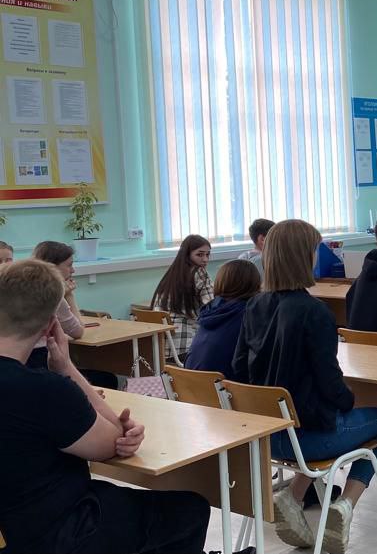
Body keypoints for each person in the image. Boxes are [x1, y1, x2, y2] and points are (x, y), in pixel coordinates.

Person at [0, 259, 210, 554]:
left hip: (15, 529)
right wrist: (67, 367)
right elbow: (112, 441)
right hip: (62, 531)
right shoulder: (44, 390)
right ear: (50, 325)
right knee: (190, 510)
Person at [233, 219, 377, 552]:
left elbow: (238, 369)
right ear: (302, 256)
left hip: (268, 439)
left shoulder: (254, 306)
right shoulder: (314, 312)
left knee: (322, 417)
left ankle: (292, 497)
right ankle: (345, 505)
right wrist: (349, 400)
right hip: (309, 440)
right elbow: (330, 383)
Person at [185, 259, 262, 380]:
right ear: (255, 283)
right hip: (226, 392)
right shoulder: (249, 314)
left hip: (190, 388)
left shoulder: (210, 310)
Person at [151, 234, 213, 362]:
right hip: (186, 348)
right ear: (187, 255)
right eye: (200, 254)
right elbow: (213, 306)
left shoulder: (171, 274)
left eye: (208, 254)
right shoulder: (199, 272)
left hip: (160, 350)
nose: (205, 259)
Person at [26, 241, 84, 369]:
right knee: (108, 379)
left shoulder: (21, 288)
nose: (73, 270)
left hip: (15, 363)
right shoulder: (51, 293)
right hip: (40, 363)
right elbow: (78, 331)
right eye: (69, 265)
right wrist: (68, 296)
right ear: (52, 267)